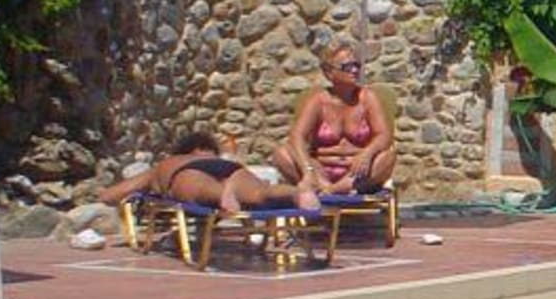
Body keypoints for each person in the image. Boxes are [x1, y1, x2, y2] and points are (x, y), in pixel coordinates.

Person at [274, 42, 395, 196]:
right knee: (281, 153)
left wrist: (367, 153)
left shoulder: (367, 98)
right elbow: (297, 137)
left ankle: (332, 191)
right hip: (321, 173)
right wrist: (307, 169)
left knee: (388, 156)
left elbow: (384, 135)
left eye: (356, 65)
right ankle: (325, 187)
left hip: (357, 176)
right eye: (347, 67)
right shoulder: (318, 101)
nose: (354, 70)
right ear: (329, 72)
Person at [101, 131, 321, 215]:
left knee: (203, 190)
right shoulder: (218, 158)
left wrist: (148, 186)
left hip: (187, 173)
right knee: (260, 192)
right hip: (231, 169)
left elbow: (111, 196)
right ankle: (296, 192)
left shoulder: (169, 163)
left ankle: (221, 193)